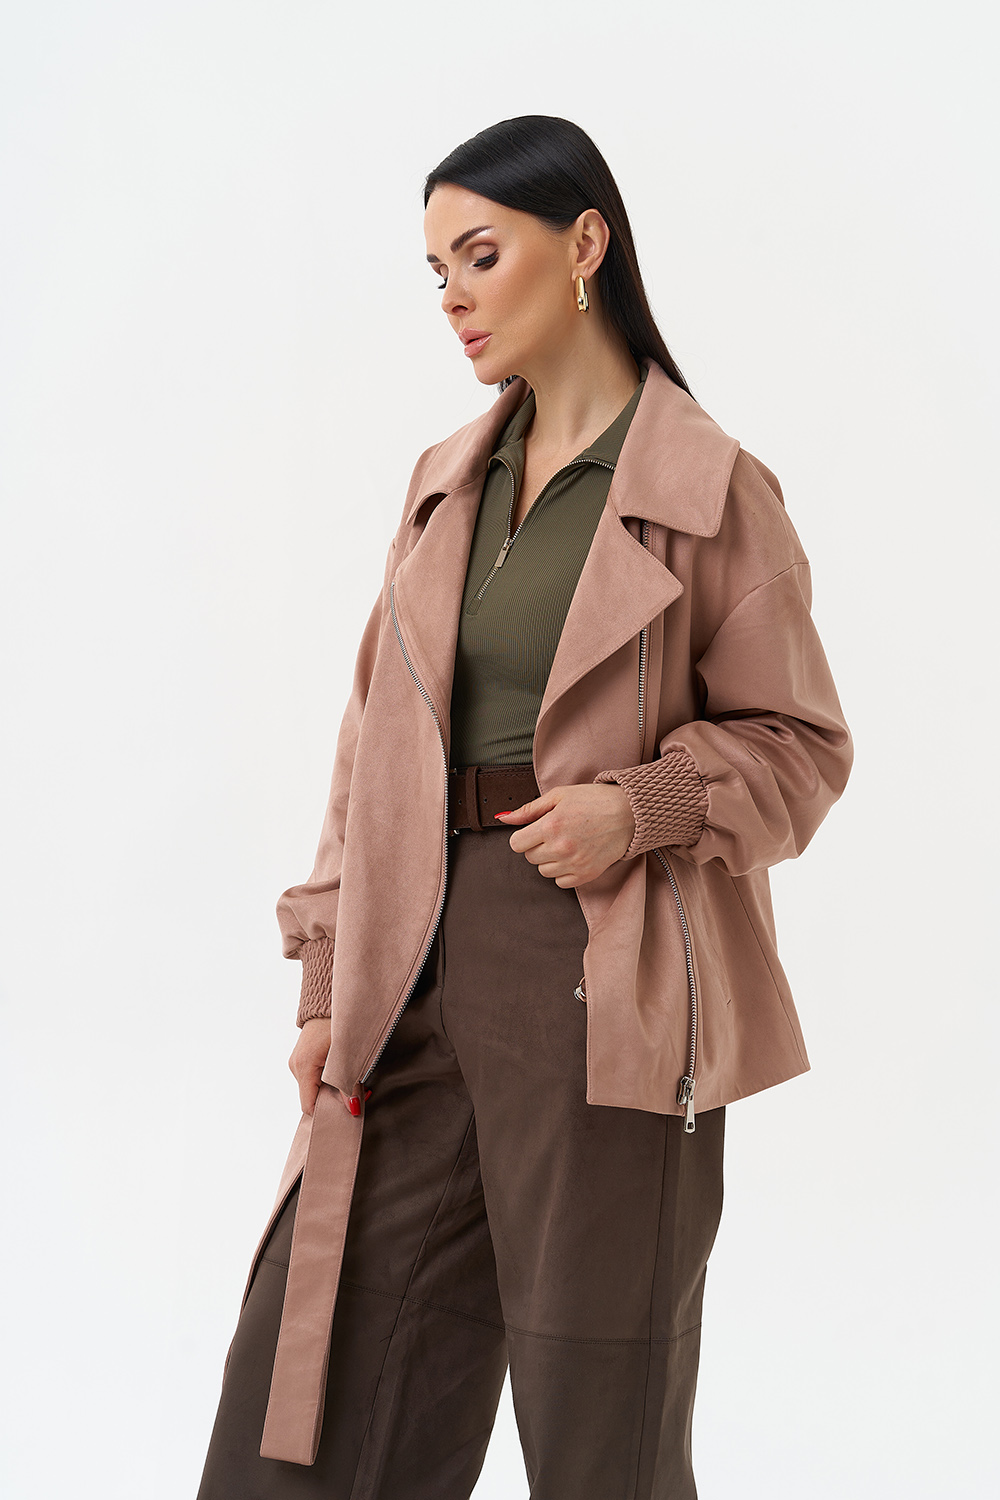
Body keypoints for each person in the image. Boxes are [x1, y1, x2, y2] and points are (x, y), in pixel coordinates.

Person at [196, 114, 854, 1500]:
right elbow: (368, 750)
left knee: (596, 1412)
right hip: (409, 950)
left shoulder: (710, 489)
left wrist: (643, 806)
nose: (453, 296)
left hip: (598, 969)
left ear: (586, 245)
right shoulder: (446, 482)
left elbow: (800, 744)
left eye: (481, 255)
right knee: (308, 1383)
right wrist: (324, 983)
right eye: (435, 269)